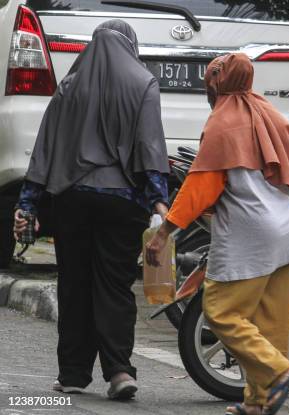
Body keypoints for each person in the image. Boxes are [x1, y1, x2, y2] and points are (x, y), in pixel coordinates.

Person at [144, 53, 289, 415]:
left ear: (218, 81)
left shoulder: (222, 122)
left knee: (220, 311)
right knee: (271, 323)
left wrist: (163, 233)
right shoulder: (273, 116)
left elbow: (201, 187)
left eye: (210, 78)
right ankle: (258, 402)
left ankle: (277, 373)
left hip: (252, 231)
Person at [12, 20, 170, 400]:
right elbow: (150, 149)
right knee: (114, 286)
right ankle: (119, 373)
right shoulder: (143, 83)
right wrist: (160, 203)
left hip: (72, 200)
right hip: (123, 204)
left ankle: (73, 374)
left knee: (75, 285)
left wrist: (28, 203)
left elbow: (45, 151)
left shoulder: (69, 87)